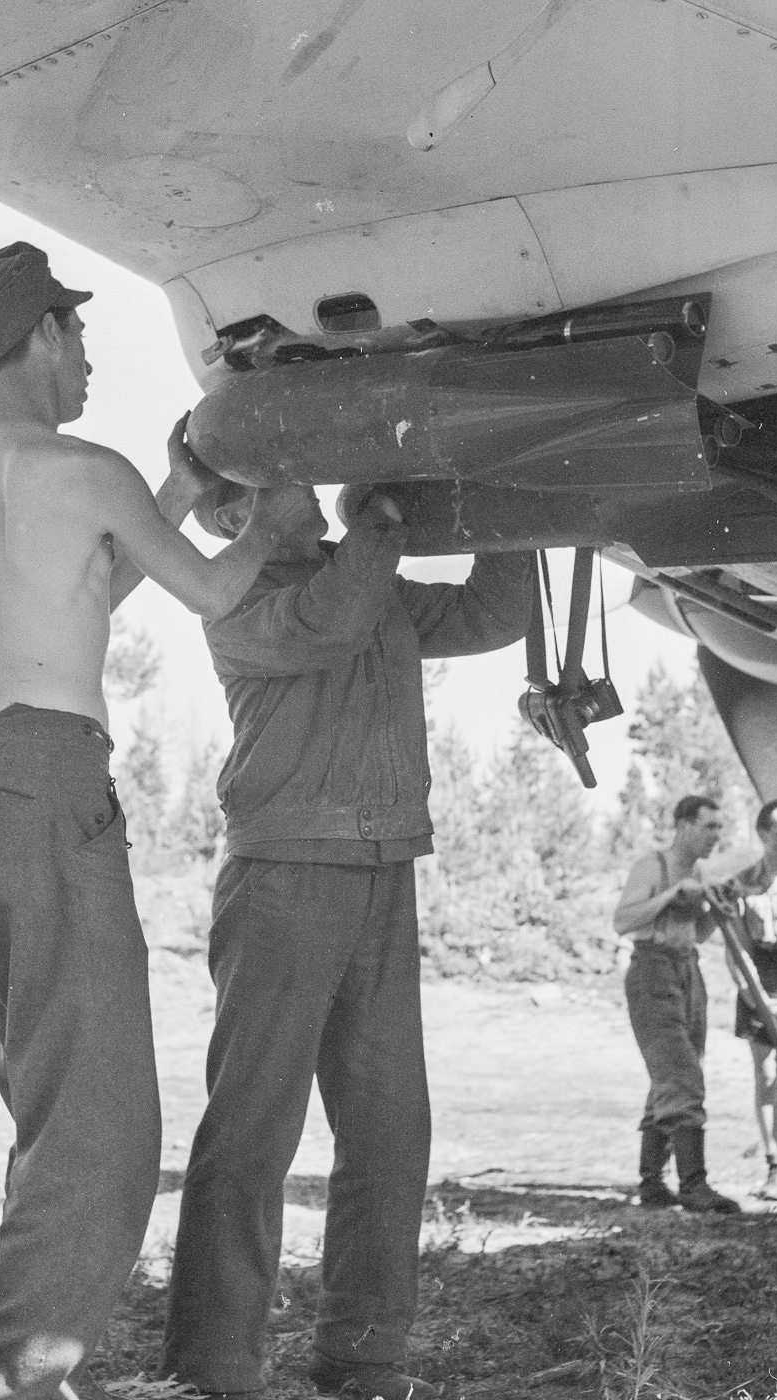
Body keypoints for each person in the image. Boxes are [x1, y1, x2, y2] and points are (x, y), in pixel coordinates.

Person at [0, 241, 302, 1400]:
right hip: (49, 790)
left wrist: (179, 494)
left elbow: (79, 591)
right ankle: (14, 1382)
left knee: (52, 1100)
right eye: (78, 334)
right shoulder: (81, 463)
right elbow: (212, 591)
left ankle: (29, 1365)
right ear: (44, 334)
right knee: (103, 1122)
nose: (88, 356)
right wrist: (278, 517)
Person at [156, 479, 533, 1400]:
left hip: (382, 870)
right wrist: (383, 523)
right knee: (252, 1131)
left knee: (389, 1133)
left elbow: (493, 612)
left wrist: (511, 503)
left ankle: (365, 1363)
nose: (300, 474)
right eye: (271, 471)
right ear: (227, 512)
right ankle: (211, 1370)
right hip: (283, 877)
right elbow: (328, 622)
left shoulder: (363, 576)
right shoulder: (234, 596)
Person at [614, 795, 739, 1214]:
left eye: (719, 828)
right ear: (684, 826)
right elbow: (623, 921)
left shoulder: (698, 872)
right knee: (681, 1076)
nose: (715, 836)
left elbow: (699, 932)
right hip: (652, 972)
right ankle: (694, 1185)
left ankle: (652, 1183)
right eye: (709, 827)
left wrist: (722, 905)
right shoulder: (654, 866)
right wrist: (670, 896)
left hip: (687, 971)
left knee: (672, 1072)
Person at [721, 799, 777, 1200]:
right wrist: (757, 996)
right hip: (760, 983)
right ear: (762, 834)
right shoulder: (742, 883)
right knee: (767, 1078)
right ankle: (775, 1165)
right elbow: (737, 946)